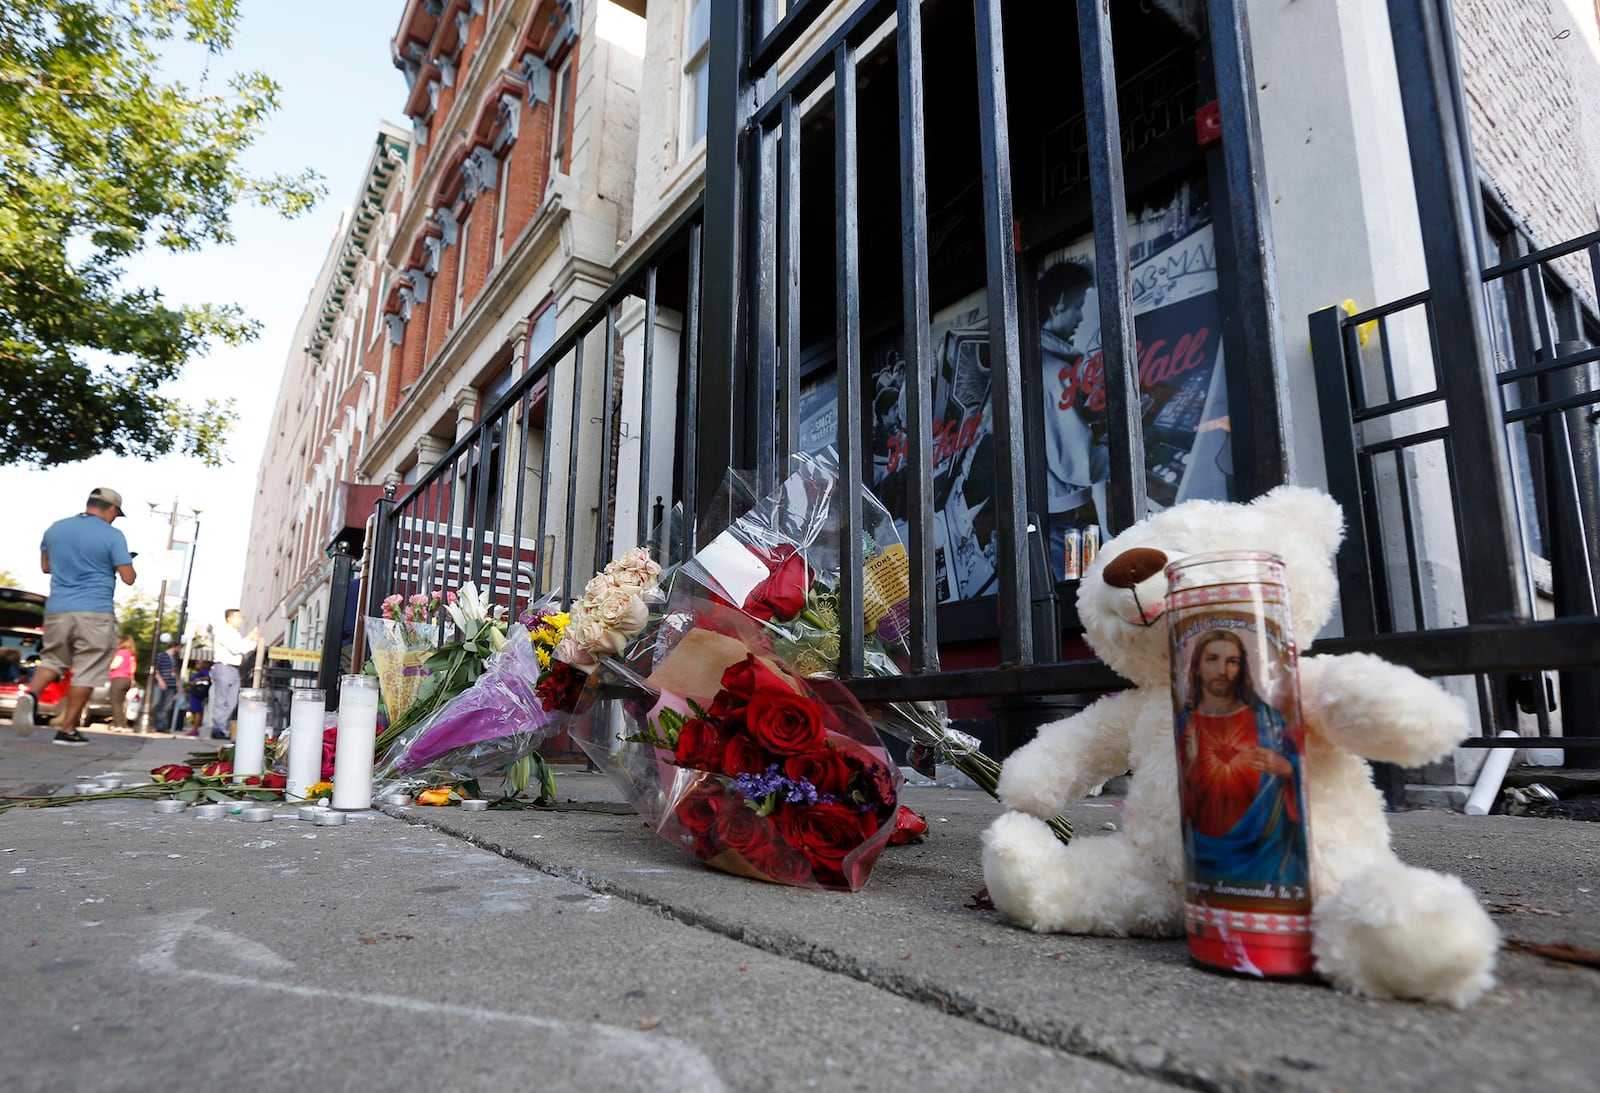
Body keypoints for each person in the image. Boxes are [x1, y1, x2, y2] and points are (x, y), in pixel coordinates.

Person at [1176, 628, 1307, 890]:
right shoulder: (1186, 723)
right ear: (1198, 666)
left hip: (1266, 851)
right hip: (1204, 852)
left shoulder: (1267, 719)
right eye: (1212, 659)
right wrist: (1189, 762)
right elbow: (1181, 797)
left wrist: (1286, 767)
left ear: (1241, 668)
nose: (1222, 670)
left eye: (1232, 661)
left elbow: (1300, 769)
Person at [12, 488, 137, 746]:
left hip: (58, 608)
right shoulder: (113, 535)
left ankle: (32, 694)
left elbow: (46, 567)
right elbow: (128, 577)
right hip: (94, 610)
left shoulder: (55, 529)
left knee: (53, 660)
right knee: (87, 669)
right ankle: (67, 729)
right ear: (112, 509)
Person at [1038, 260, 1110, 579]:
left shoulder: (1046, 359)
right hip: (1067, 515)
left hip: (1062, 511)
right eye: (1078, 306)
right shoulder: (1054, 371)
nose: (1081, 317)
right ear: (1059, 304)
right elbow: (1081, 464)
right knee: (1083, 593)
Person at [210, 609, 258, 740]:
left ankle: (222, 727)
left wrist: (253, 640)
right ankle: (217, 728)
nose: (240, 620)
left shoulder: (235, 633)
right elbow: (236, 648)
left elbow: (244, 648)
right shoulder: (223, 631)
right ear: (229, 618)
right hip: (224, 666)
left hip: (234, 668)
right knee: (222, 700)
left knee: (231, 701)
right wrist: (248, 638)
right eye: (237, 617)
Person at [150, 640, 181, 733]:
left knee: (166, 706)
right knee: (156, 702)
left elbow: (174, 671)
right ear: (174, 646)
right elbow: (155, 668)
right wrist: (160, 681)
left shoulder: (174, 658)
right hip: (161, 682)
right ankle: (152, 722)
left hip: (171, 684)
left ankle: (161, 725)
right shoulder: (161, 656)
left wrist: (177, 682)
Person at [107, 634, 137, 730]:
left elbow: (114, 665)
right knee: (121, 702)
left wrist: (108, 664)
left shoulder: (121, 652)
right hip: (127, 679)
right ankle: (121, 723)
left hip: (118, 678)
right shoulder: (131, 654)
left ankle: (118, 724)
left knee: (115, 702)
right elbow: (133, 670)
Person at [184, 661, 212, 736]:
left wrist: (198, 679)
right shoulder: (196, 673)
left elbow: (208, 678)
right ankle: (195, 727)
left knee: (197, 711)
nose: (196, 665)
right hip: (194, 691)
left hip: (198, 693)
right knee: (194, 710)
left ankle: (195, 729)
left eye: (198, 663)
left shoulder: (203, 672)